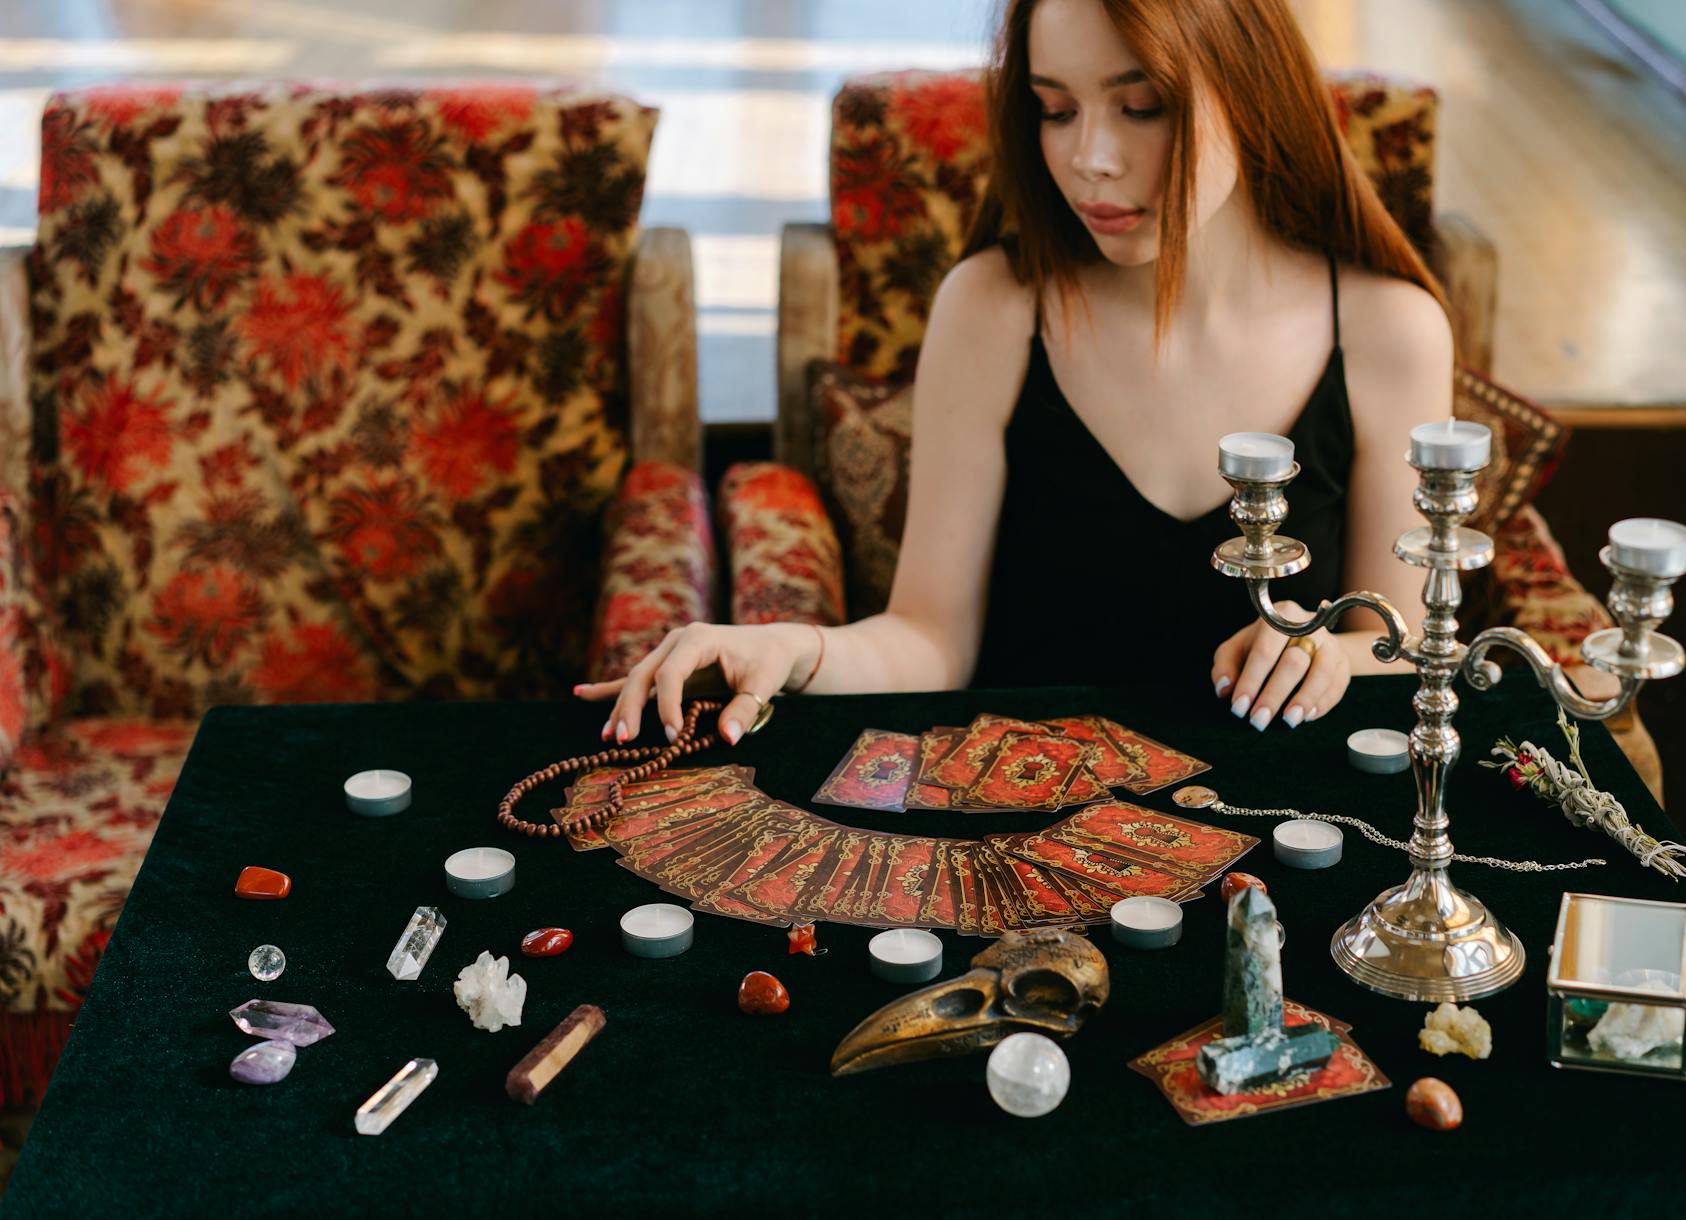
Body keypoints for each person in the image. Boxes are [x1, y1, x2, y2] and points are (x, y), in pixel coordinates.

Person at [579, 0, 1451, 747]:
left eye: (1140, 106)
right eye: (1055, 110)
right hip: (1020, 831)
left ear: (1253, 92)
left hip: (1281, 830)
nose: (1089, 158)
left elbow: (1396, 645)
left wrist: (1328, 652)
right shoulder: (995, 309)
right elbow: (931, 641)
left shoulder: (1389, 331)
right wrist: (794, 649)